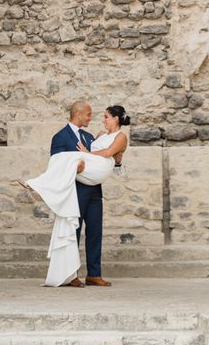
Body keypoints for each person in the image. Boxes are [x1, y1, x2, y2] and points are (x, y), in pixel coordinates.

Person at [21, 101, 130, 288]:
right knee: (73, 231)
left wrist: (116, 160)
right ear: (78, 114)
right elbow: (56, 164)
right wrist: (74, 168)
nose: (91, 118)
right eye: (88, 115)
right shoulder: (60, 137)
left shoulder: (89, 137)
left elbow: (102, 158)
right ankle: (71, 275)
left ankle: (94, 274)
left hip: (94, 190)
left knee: (95, 231)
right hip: (74, 191)